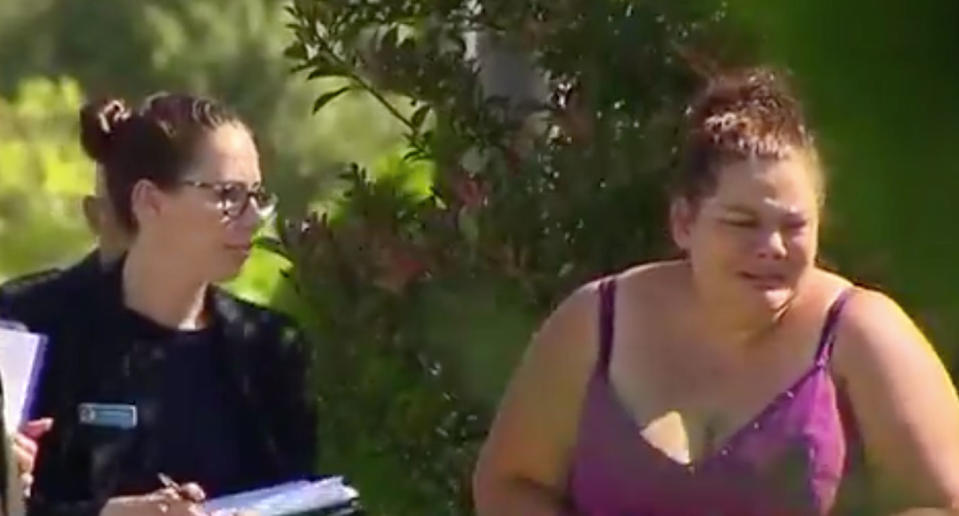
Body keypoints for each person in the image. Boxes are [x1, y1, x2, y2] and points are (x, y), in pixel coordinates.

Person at [473, 69, 959, 515]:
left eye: (793, 225)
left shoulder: (861, 333)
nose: (771, 247)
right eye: (742, 223)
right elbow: (509, 486)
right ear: (684, 222)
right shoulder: (595, 323)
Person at [0, 93, 318, 516]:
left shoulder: (268, 348)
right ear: (149, 201)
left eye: (257, 195)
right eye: (227, 195)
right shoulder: (27, 329)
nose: (253, 216)